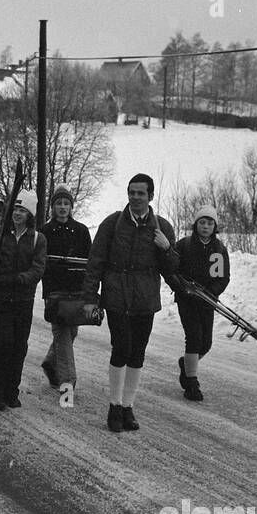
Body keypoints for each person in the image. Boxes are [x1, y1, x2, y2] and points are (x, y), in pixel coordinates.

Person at [80, 173, 179, 433]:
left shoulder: (162, 228)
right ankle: (114, 406)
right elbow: (96, 262)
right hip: (116, 297)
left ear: (150, 196)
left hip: (145, 299)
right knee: (121, 347)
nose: (135, 197)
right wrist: (91, 298)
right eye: (132, 192)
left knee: (138, 352)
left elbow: (172, 269)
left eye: (141, 193)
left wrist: (167, 248)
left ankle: (128, 406)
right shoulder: (112, 224)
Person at [0, 190, 47, 410]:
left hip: (23, 299)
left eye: (22, 210)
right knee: (2, 344)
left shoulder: (37, 239)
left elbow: (38, 269)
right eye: (15, 208)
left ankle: (12, 391)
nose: (17, 213)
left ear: (30, 213)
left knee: (19, 346)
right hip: (1, 297)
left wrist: (19, 279)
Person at [169, 205, 230, 402]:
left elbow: (223, 277)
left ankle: (186, 364)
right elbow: (171, 270)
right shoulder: (184, 245)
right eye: (202, 222)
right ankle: (192, 383)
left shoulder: (219, 249)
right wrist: (182, 288)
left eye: (210, 223)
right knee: (194, 338)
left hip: (207, 300)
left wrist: (212, 292)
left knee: (206, 343)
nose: (205, 226)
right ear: (196, 225)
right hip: (187, 299)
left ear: (215, 226)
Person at [40, 187, 92, 393]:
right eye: (58, 203)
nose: (62, 207)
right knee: (61, 332)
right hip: (55, 291)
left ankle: (51, 363)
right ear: (52, 207)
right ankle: (68, 383)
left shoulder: (81, 230)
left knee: (71, 332)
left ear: (71, 207)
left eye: (66, 204)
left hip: (76, 290)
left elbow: (90, 261)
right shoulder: (44, 232)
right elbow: (39, 261)